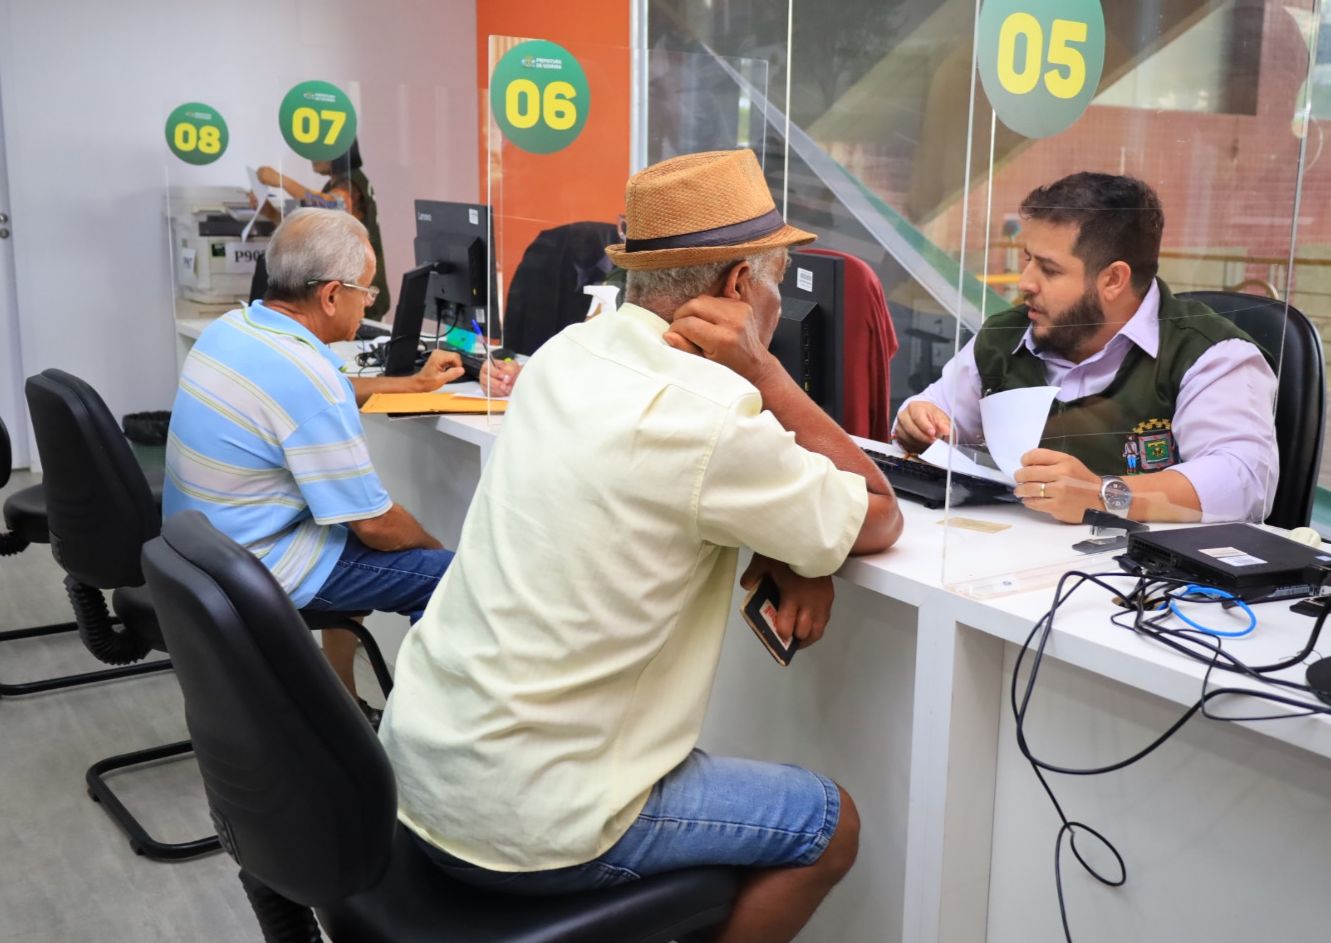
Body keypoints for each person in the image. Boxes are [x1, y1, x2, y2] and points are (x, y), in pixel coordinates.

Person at [379, 149, 903, 943]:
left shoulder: (563, 354)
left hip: (417, 768)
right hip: (529, 820)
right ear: (736, 288)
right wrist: (768, 375)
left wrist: (784, 544)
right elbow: (878, 512)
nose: (777, 305)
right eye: (772, 284)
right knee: (830, 826)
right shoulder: (713, 412)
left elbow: (663, 500)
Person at [162, 208, 461, 716]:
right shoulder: (305, 376)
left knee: (361, 546)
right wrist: (438, 554)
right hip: (257, 566)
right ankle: (420, 739)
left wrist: (410, 385)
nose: (368, 303)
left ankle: (342, 702)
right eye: (365, 292)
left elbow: (333, 388)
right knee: (447, 579)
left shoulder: (233, 330)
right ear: (329, 295)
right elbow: (376, 526)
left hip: (201, 549)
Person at [894, 172, 1279, 524]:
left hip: (1145, 585)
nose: (1025, 282)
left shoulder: (1210, 354)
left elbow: (1243, 481)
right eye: (1027, 259)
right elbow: (932, 414)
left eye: (1048, 269)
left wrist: (1103, 495)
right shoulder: (1006, 335)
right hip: (1005, 569)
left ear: (1112, 279)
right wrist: (917, 422)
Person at [255, 138, 391, 320]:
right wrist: (271, 213)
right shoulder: (336, 184)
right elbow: (313, 233)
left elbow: (332, 204)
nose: (313, 158)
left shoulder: (352, 183)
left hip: (359, 295)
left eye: (319, 150)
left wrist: (281, 181)